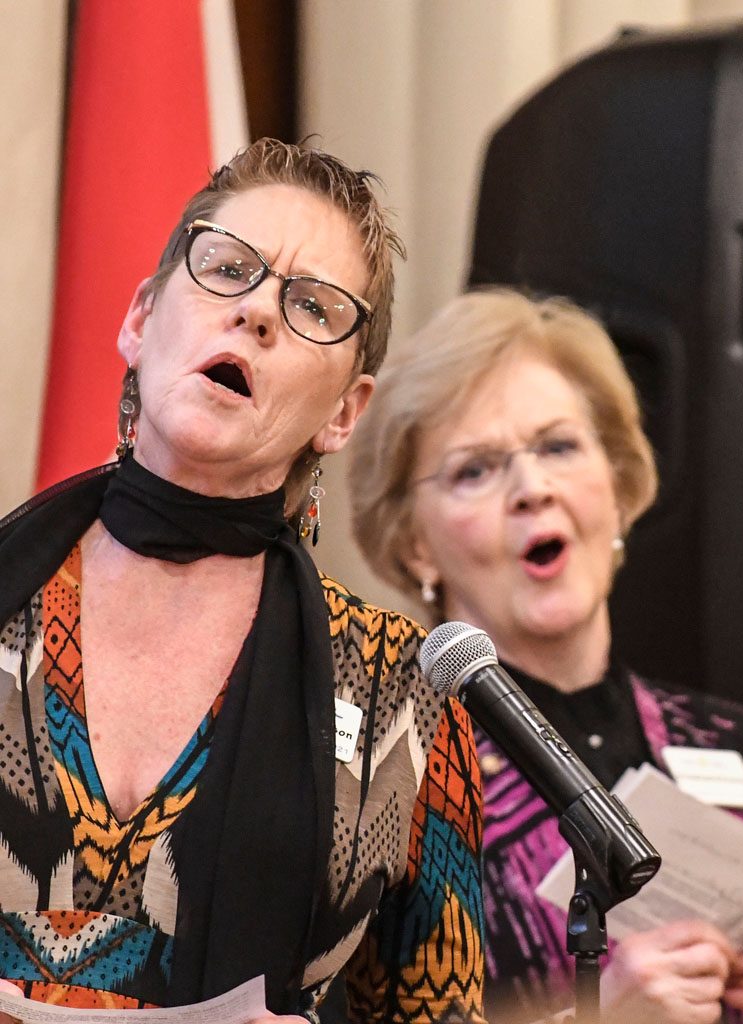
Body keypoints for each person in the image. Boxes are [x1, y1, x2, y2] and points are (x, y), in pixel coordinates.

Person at [0, 139, 486, 1024]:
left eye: (312, 307)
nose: (257, 310)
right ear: (141, 320)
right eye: (227, 268)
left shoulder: (401, 694)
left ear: (345, 413)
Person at [347, 287, 743, 1024]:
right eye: (474, 470)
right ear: (416, 544)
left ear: (618, 485)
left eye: (558, 447)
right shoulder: (383, 781)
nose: (532, 489)